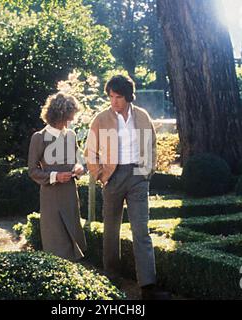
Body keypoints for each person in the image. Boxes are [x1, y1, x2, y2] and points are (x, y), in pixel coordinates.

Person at [85, 75, 170, 300]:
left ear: (128, 96)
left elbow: (152, 145)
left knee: (141, 231)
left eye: (118, 97)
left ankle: (148, 287)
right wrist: (101, 175)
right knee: (111, 230)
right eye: (111, 97)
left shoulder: (142, 116)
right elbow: (90, 151)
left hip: (137, 177)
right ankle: (111, 278)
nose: (114, 101)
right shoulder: (101, 119)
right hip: (112, 177)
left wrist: (147, 173)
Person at [28, 92, 86, 262]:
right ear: (59, 115)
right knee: (56, 242)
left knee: (73, 236)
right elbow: (32, 171)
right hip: (51, 196)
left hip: (70, 193)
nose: (72, 120)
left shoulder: (71, 135)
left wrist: (78, 167)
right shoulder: (39, 138)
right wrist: (55, 176)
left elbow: (77, 161)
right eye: (70, 116)